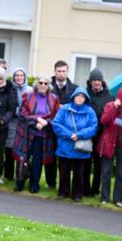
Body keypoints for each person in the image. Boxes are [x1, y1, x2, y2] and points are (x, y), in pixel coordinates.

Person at [12, 75, 60, 193]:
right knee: (23, 159)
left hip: (43, 135)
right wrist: (37, 120)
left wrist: (45, 123)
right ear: (36, 84)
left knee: (37, 161)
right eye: (41, 82)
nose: (43, 85)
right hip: (27, 132)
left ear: (49, 85)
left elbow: (56, 117)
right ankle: (20, 182)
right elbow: (22, 114)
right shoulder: (27, 96)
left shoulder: (54, 98)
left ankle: (34, 184)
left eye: (45, 83)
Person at [52, 87, 98, 202]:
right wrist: (69, 134)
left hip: (80, 148)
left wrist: (79, 134)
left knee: (79, 173)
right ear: (73, 96)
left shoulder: (90, 111)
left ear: (86, 99)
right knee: (63, 172)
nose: (79, 98)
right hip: (65, 145)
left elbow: (93, 127)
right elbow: (56, 123)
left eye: (82, 96)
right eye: (78, 95)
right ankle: (63, 192)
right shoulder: (64, 109)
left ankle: (77, 194)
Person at [48, 60, 78, 188]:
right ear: (55, 72)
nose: (61, 74)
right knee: (50, 155)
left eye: (63, 71)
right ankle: (51, 183)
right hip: (49, 125)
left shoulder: (75, 89)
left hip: (66, 128)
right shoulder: (46, 86)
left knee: (64, 158)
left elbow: (78, 106)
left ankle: (63, 184)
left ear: (67, 72)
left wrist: (64, 107)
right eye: (58, 71)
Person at [85, 68, 114, 196]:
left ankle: (95, 189)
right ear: (90, 82)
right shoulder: (84, 94)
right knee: (85, 162)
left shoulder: (109, 96)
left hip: (102, 135)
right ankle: (85, 189)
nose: (96, 83)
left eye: (98, 80)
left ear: (102, 82)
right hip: (86, 134)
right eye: (94, 80)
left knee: (98, 164)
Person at [5, 68, 31, 181]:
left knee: (22, 150)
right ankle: (8, 175)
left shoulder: (30, 90)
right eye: (17, 75)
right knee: (9, 147)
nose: (19, 77)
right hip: (12, 122)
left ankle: (20, 175)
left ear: (25, 77)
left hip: (25, 123)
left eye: (21, 75)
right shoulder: (10, 89)